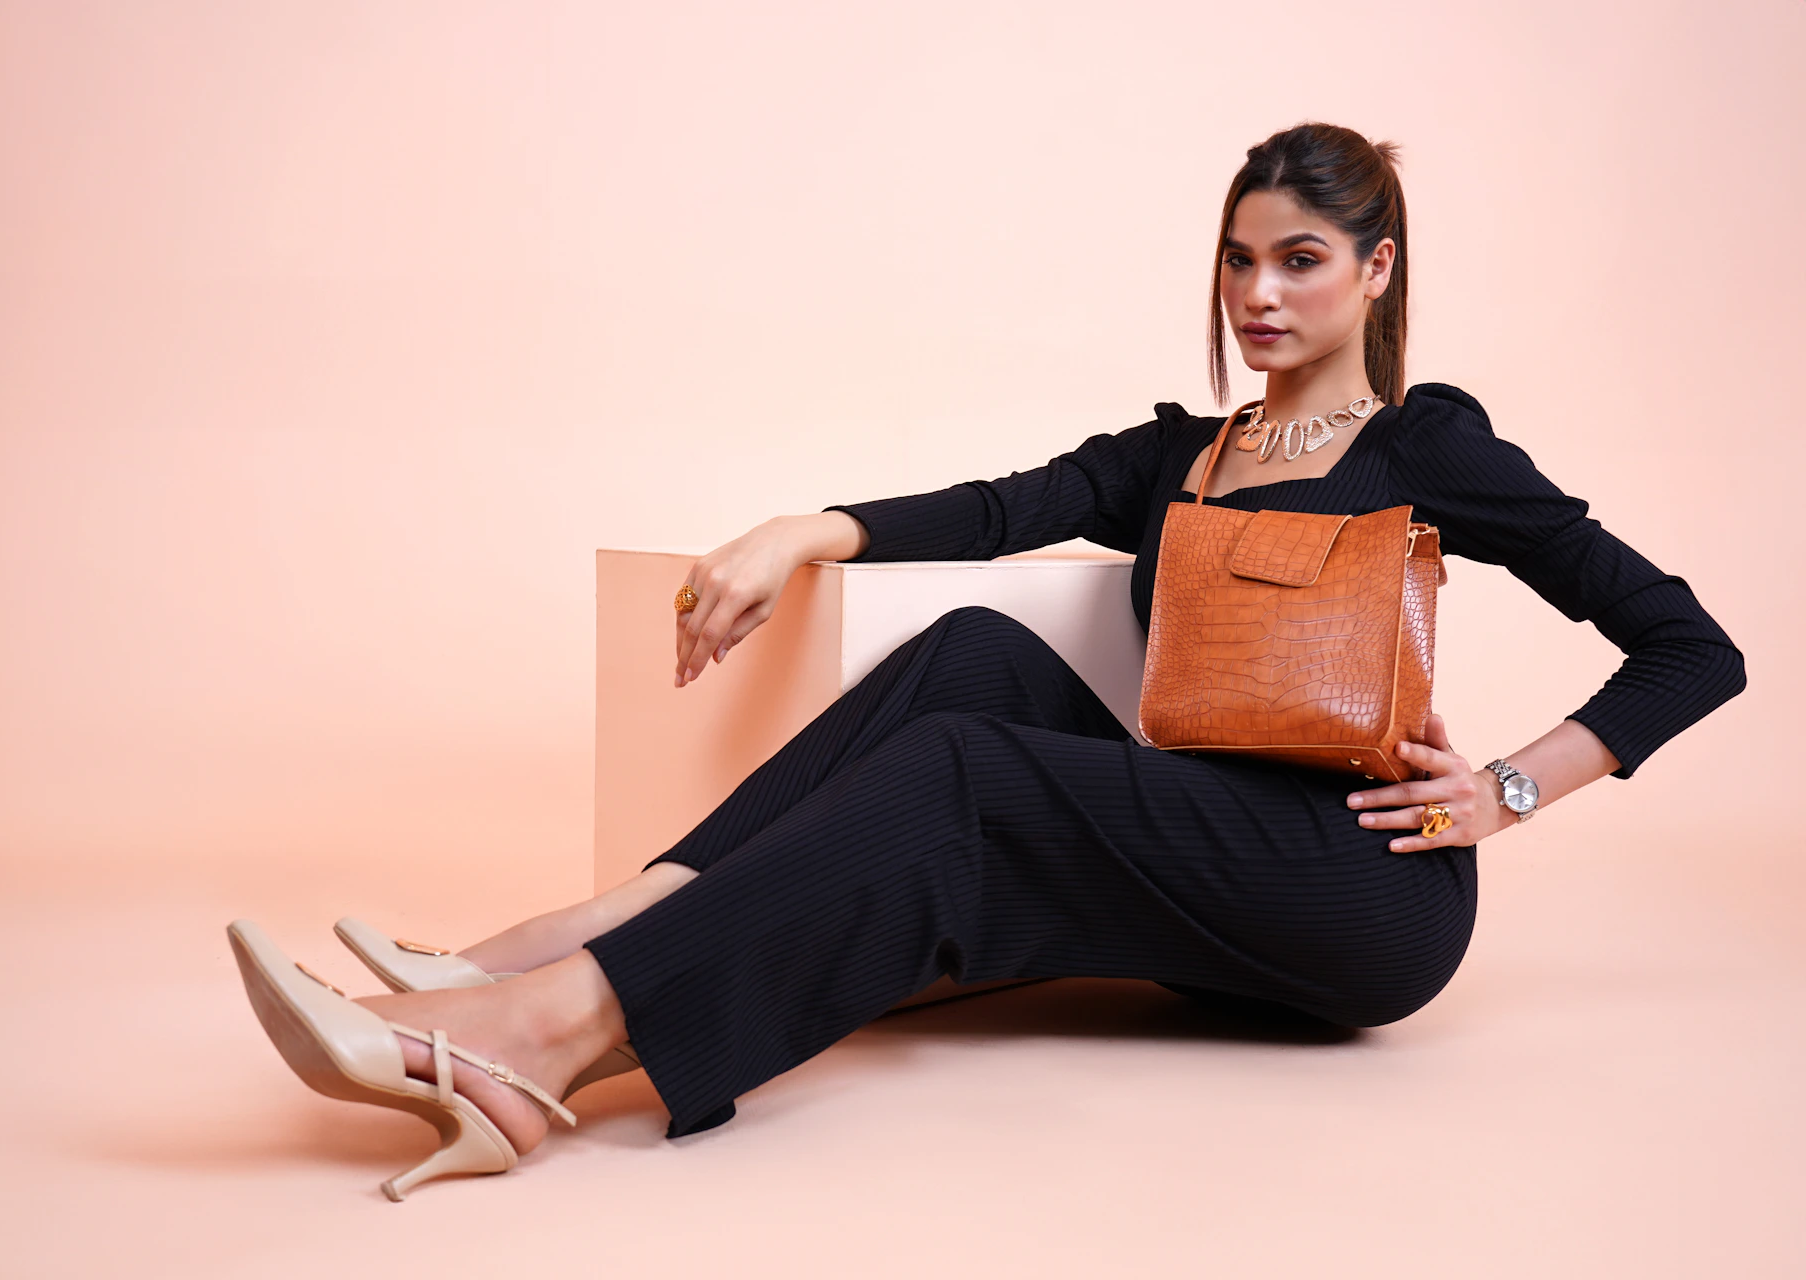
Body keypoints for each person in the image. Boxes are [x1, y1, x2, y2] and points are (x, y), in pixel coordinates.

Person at [226, 121, 1746, 1201]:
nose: (1260, 296)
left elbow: (1691, 645)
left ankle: (540, 1035)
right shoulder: (1181, 454)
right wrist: (798, 529)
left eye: (1299, 260)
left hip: (1357, 883)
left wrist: (1506, 790)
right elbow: (998, 511)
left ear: (1376, 269)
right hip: (1204, 847)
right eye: (1237, 261)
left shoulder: (1431, 445)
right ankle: (563, 940)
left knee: (968, 770)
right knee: (972, 657)